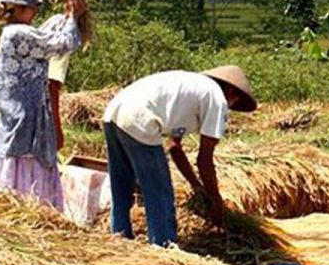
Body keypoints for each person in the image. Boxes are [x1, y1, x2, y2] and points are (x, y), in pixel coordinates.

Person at [101, 66, 257, 246]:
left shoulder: (194, 89)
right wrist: (216, 202)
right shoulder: (217, 98)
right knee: (160, 194)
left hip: (113, 111)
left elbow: (174, 147)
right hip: (140, 118)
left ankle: (120, 241)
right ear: (231, 91)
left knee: (121, 187)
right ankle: (164, 246)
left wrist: (197, 187)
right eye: (234, 100)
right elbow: (204, 160)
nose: (230, 107)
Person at [0, 0, 84, 210]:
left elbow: (45, 36)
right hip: (24, 121)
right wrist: (74, 16)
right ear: (21, 8)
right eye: (33, 8)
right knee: (25, 186)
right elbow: (63, 44)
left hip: (21, 118)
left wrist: (67, 17)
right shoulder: (18, 34)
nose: (35, 13)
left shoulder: (18, 32)